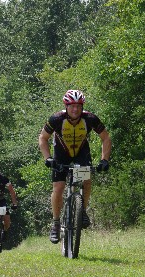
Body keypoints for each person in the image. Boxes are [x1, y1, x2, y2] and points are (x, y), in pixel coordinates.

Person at [38, 89, 111, 244]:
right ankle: (56, 223)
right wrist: (48, 158)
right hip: (61, 153)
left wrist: (104, 160)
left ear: (82, 106)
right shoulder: (57, 118)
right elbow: (43, 138)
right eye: (72, 106)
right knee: (58, 187)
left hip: (81, 152)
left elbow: (105, 138)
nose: (75, 109)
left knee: (87, 181)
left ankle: (81, 210)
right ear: (66, 106)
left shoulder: (90, 118)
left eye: (78, 105)